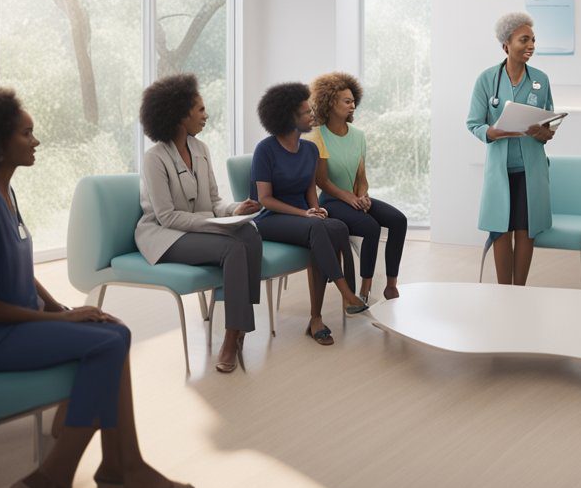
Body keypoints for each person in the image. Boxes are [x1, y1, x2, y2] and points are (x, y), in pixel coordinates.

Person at [0, 88, 193, 488]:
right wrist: (62, 323)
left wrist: (64, 311)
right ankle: (63, 476)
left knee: (109, 329)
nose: (36, 141)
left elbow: (22, 276)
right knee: (109, 340)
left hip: (3, 327)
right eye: (26, 133)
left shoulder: (4, 193)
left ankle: (119, 466)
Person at [136, 73, 262, 374]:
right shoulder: (154, 158)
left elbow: (215, 200)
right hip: (165, 236)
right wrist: (218, 224)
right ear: (180, 115)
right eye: (201, 110)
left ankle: (240, 320)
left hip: (196, 228)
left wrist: (235, 209)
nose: (206, 115)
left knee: (249, 233)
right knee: (232, 248)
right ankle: (232, 336)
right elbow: (166, 216)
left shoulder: (201, 150)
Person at [250, 82, 367, 347]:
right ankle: (347, 292)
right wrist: (305, 214)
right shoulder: (265, 149)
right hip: (270, 218)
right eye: (305, 112)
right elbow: (264, 199)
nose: (312, 115)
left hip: (302, 216)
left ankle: (316, 318)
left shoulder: (310, 150)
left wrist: (315, 209)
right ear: (288, 117)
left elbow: (309, 188)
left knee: (336, 227)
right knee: (317, 229)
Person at [466, 12, 557, 285]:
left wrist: (544, 132)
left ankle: (520, 291)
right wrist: (490, 132)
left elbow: (548, 122)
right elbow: (473, 123)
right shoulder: (487, 80)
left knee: (525, 230)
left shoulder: (540, 80)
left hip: (531, 169)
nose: (531, 45)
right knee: (501, 230)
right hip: (500, 169)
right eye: (524, 40)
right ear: (506, 44)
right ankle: (504, 291)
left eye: (533, 40)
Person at [307, 71, 408, 302]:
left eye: (354, 101)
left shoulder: (358, 136)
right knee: (371, 227)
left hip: (354, 198)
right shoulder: (317, 135)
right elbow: (322, 181)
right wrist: (350, 199)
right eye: (347, 101)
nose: (353, 105)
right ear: (331, 102)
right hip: (332, 201)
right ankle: (365, 289)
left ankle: (391, 286)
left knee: (399, 220)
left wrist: (363, 196)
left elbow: (361, 176)